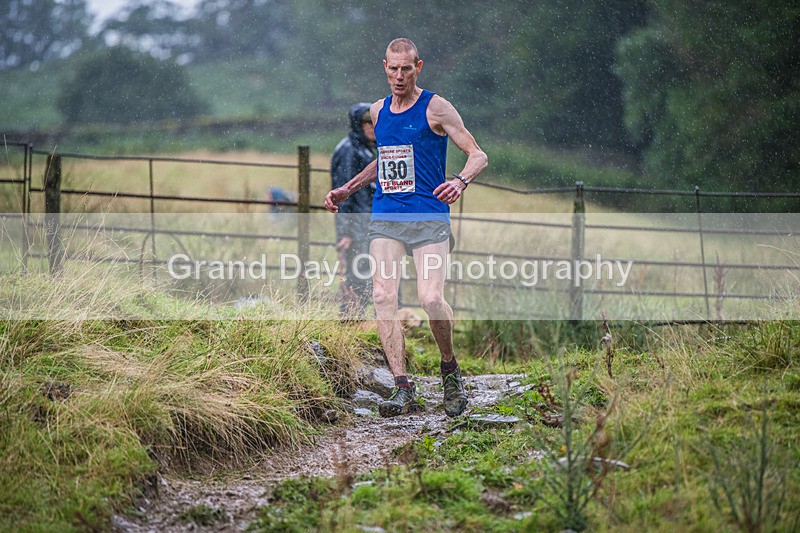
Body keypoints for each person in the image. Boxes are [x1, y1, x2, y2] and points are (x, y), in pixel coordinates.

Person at [325, 38, 488, 418]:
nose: (399, 76)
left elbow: (478, 155)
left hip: (429, 217)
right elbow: (383, 160)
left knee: (430, 299)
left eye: (406, 69)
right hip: (386, 217)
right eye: (393, 69)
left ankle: (449, 370)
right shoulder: (378, 111)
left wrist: (460, 181)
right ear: (384, 66)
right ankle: (402, 387)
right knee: (383, 296)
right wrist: (347, 188)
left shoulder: (437, 107)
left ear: (419, 67)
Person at [330, 103, 377, 319]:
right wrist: (345, 232)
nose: (372, 127)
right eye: (367, 122)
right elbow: (343, 193)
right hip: (356, 226)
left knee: (370, 275)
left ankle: (364, 325)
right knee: (357, 276)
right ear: (358, 124)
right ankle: (350, 325)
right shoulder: (349, 150)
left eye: (374, 122)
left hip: (367, 224)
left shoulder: (365, 148)